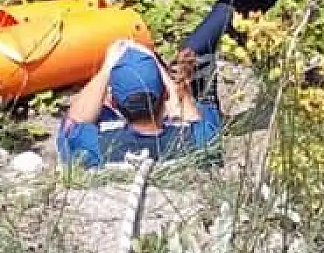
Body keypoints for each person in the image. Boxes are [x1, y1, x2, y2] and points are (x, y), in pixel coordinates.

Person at [56, 39, 221, 168]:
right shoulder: (198, 142)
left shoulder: (97, 146)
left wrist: (107, 68)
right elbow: (194, 116)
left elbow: (72, 123)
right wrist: (154, 62)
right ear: (165, 94)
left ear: (113, 102)